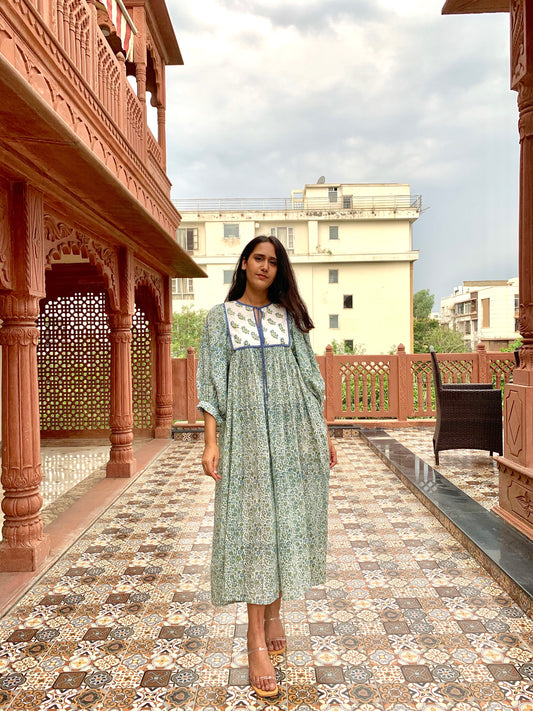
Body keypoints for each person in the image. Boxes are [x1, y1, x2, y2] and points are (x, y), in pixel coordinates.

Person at [197, 235, 337, 698]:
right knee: (255, 531)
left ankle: (275, 613)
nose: (265, 267)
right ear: (243, 263)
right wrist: (211, 443)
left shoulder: (288, 317)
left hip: (293, 435)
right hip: (246, 441)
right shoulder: (219, 319)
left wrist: (324, 433)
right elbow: (212, 384)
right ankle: (255, 639)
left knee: (283, 525)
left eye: (273, 262)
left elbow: (308, 379)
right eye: (258, 258)